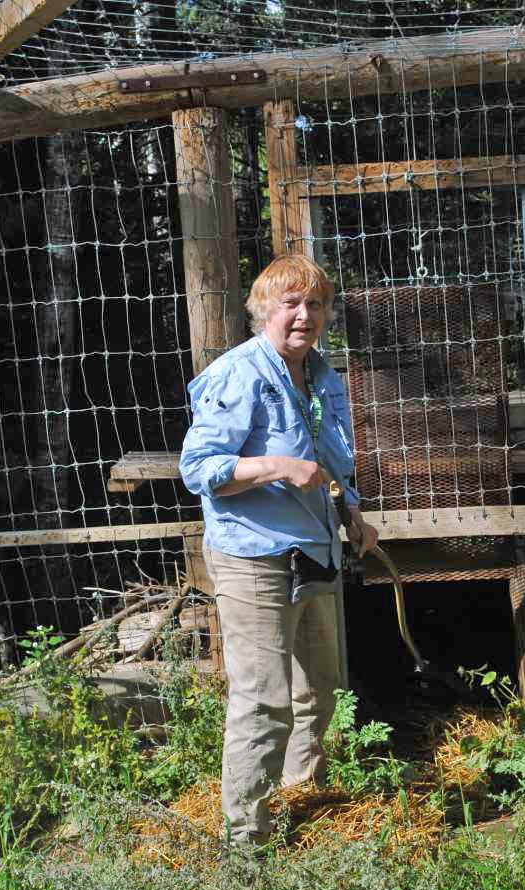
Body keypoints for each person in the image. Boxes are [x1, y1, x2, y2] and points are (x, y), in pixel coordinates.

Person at [179, 254, 379, 847]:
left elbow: (329, 459)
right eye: (291, 303)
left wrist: (352, 512)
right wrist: (274, 467)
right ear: (264, 309)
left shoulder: (320, 375)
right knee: (263, 701)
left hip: (315, 548)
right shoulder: (238, 375)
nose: (304, 315)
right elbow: (200, 469)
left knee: (319, 686)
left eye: (315, 304)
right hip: (255, 557)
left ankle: (301, 798)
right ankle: (246, 842)